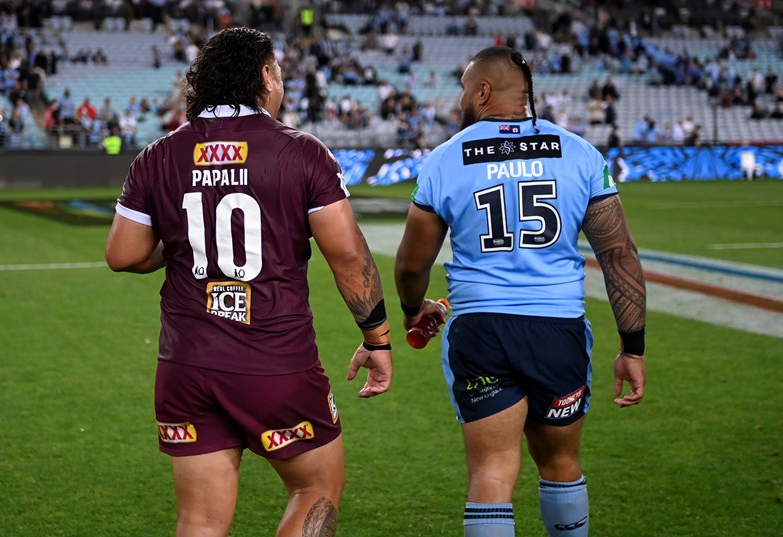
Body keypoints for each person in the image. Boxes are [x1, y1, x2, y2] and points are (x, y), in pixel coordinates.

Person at [104, 27, 393, 537]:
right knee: (315, 491)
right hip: (274, 361)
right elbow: (348, 257)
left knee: (199, 520)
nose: (281, 82)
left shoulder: (157, 155)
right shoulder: (302, 152)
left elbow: (122, 255)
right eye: (278, 71)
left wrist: (181, 246)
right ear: (264, 75)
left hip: (186, 365)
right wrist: (378, 339)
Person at [394, 46, 647, 537]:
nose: (462, 99)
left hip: (482, 329)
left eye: (466, 89)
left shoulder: (447, 158)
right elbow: (620, 255)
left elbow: (410, 264)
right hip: (558, 329)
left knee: (491, 473)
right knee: (560, 463)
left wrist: (413, 309)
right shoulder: (578, 152)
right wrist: (631, 347)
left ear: (484, 92)